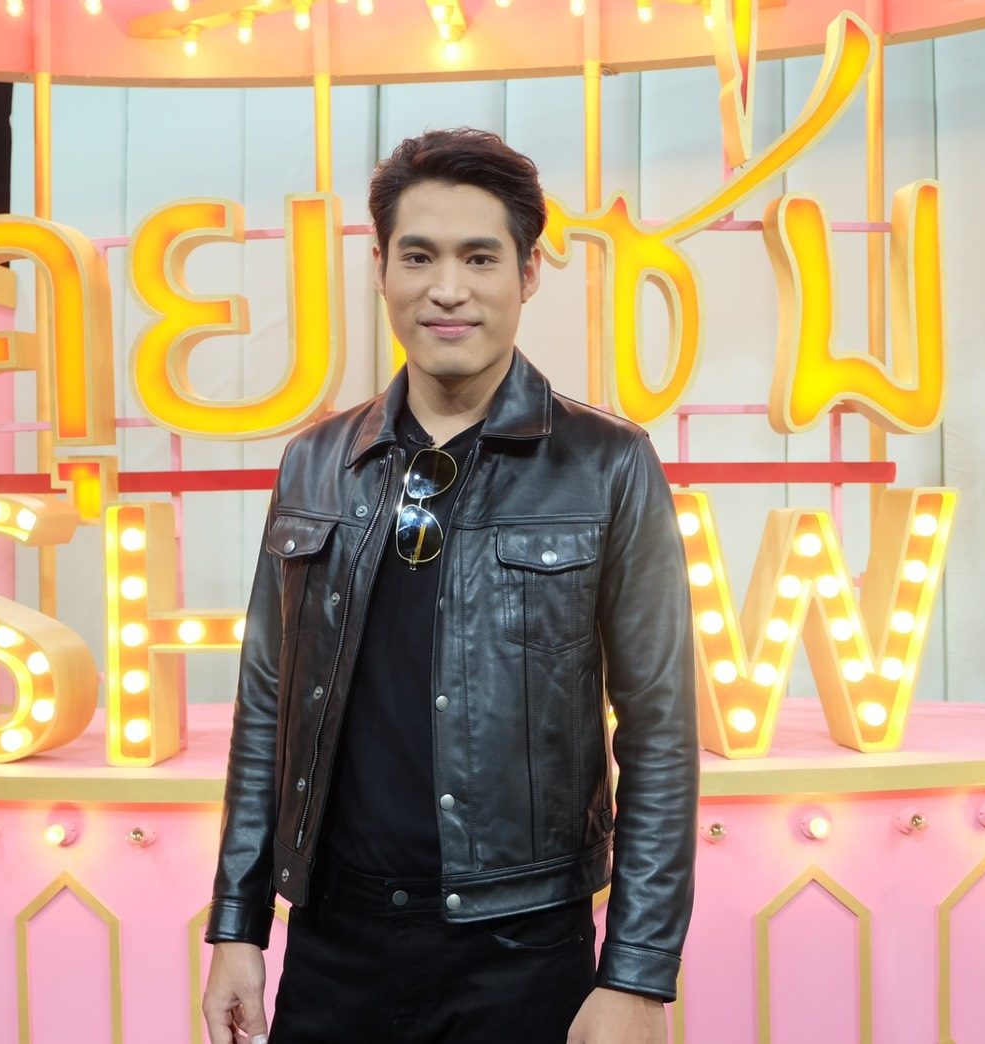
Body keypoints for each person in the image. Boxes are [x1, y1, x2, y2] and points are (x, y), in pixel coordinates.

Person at [201, 128, 697, 1044]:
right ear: (381, 268)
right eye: (419, 256)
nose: (448, 288)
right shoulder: (315, 462)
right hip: (333, 946)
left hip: (519, 951)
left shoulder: (608, 465)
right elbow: (267, 705)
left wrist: (636, 973)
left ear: (528, 273)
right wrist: (239, 924)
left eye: (480, 257)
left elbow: (660, 733)